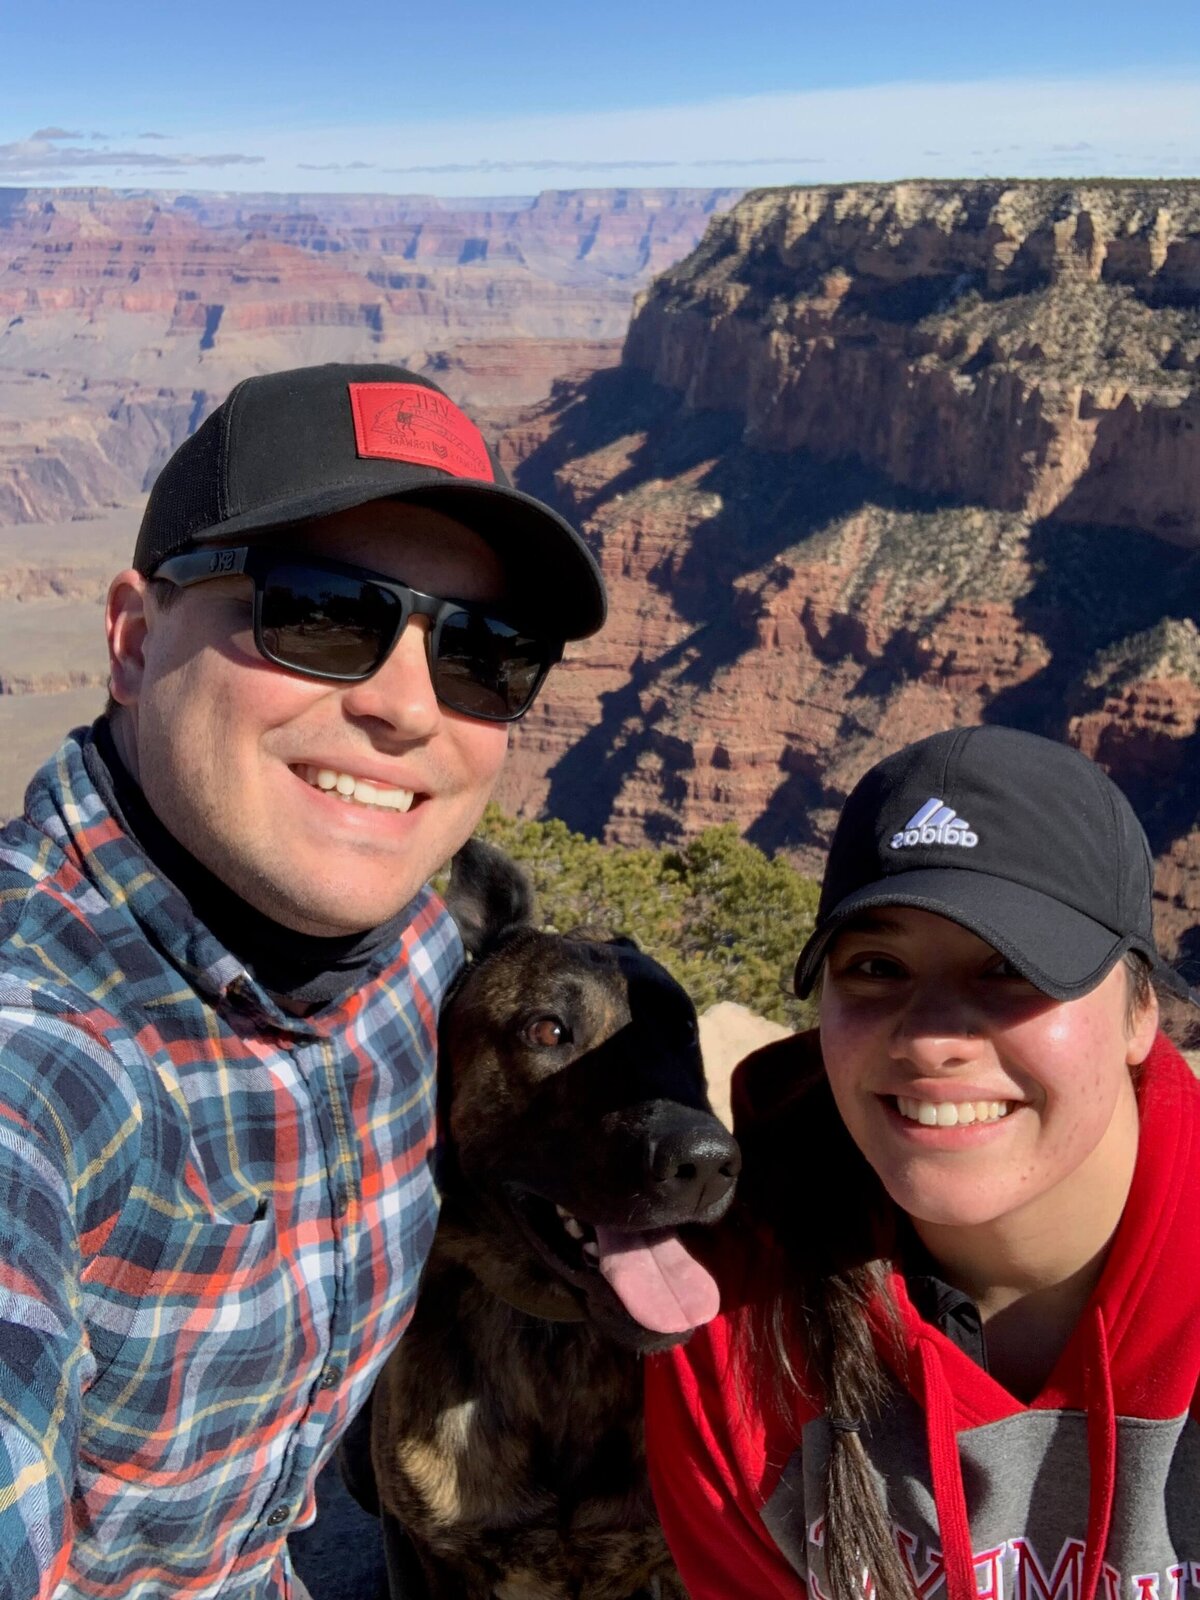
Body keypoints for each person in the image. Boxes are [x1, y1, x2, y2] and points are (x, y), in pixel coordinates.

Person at [0, 362, 605, 1599]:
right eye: (321, 612)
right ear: (131, 638)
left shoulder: (427, 964)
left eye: (484, 655)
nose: (403, 707)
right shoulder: (42, 1058)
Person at [645, 724, 1200, 1600]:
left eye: (1010, 968)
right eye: (876, 965)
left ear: (1141, 1014)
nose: (934, 1037)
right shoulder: (730, 1334)